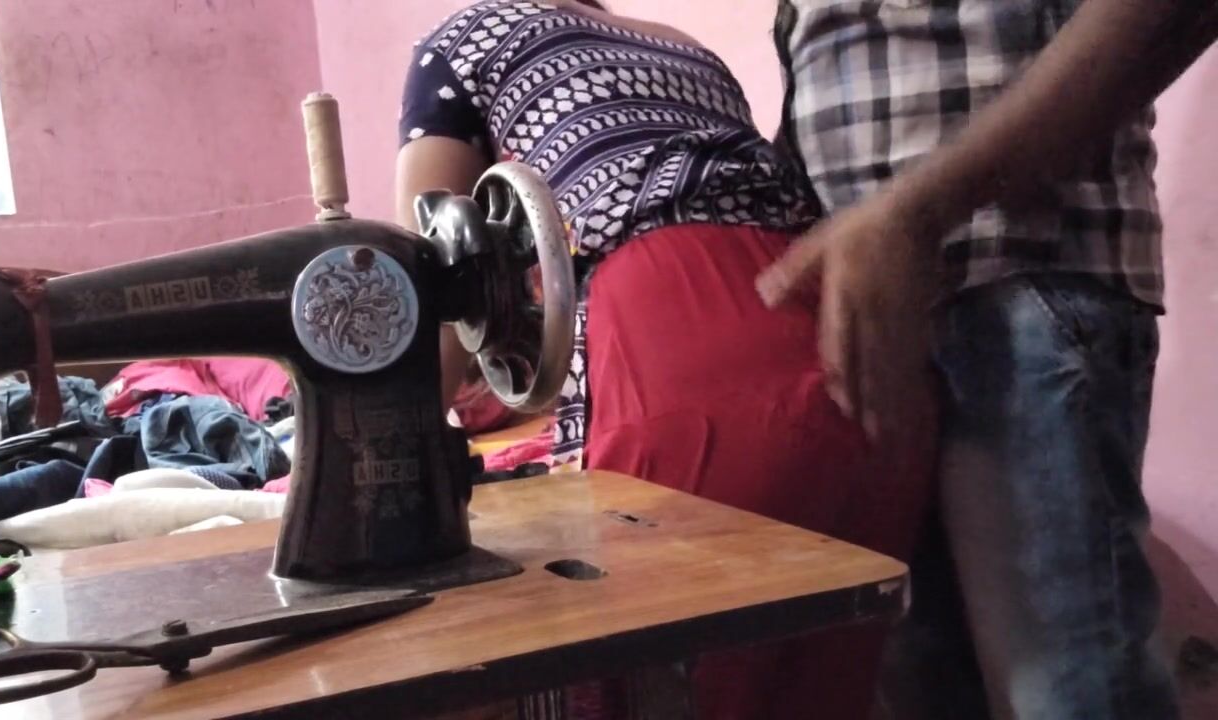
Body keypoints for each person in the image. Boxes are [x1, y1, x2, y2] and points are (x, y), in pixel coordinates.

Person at [394, 1, 935, 718]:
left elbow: (433, 289)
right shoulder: (690, 49)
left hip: (681, 336)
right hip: (849, 332)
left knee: (650, 686)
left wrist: (385, 474)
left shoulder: (464, 43)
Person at [761, 1, 1218, 718]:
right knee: (927, 691)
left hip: (1018, 274)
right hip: (882, 316)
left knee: (1066, 694)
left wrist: (916, 213)